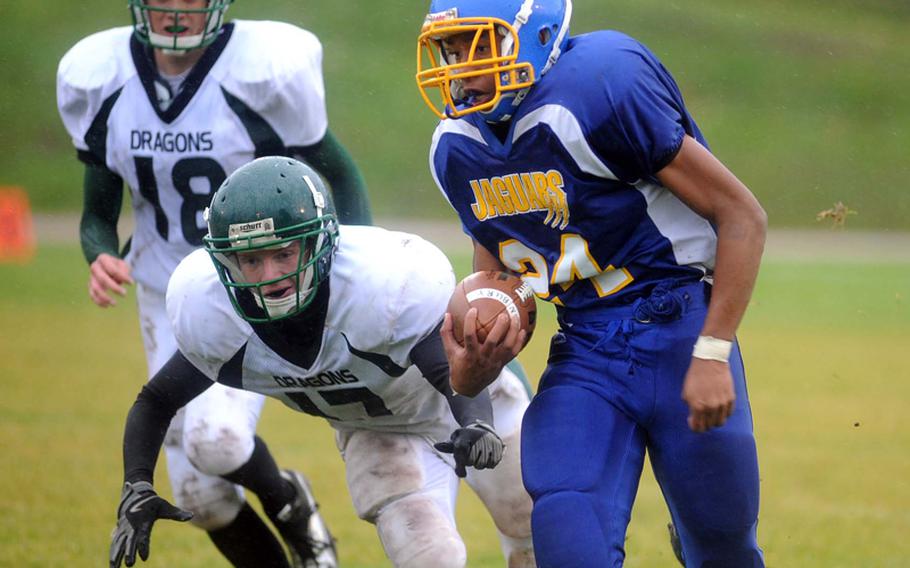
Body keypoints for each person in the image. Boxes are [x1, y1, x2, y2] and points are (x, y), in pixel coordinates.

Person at [415, 1, 768, 566]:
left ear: (540, 34)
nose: (461, 68)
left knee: (723, 543)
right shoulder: (456, 147)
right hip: (587, 346)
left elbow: (742, 216)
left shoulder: (601, 87)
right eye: (453, 50)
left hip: (678, 324)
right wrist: (475, 366)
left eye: (480, 47)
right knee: (568, 535)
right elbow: (498, 285)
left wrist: (713, 350)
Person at [57, 1, 371, 566]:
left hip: (251, 290)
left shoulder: (261, 74)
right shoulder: (102, 80)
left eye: (191, 2)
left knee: (215, 440)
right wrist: (99, 255)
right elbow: (96, 216)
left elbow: (339, 171)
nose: (176, 15)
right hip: (166, 295)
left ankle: (289, 503)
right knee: (202, 500)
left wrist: (359, 264)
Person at [107, 156, 536, 568]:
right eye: (250, 260)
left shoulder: (381, 287)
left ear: (320, 243)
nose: (268, 274)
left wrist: (477, 423)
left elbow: (453, 377)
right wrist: (137, 483)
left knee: (531, 524)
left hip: (466, 397)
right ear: (226, 261)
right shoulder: (213, 314)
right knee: (431, 558)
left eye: (283, 254)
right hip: (376, 432)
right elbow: (156, 400)